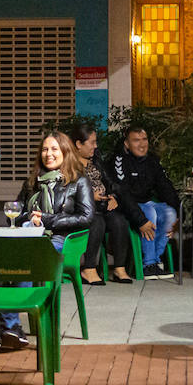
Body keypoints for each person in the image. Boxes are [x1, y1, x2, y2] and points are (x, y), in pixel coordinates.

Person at [0, 132, 94, 347]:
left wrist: (47, 220)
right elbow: (17, 213)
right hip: (31, 239)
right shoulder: (32, 182)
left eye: (55, 149)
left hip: (61, 241)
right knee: (2, 257)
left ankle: (5, 324)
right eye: (45, 149)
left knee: (28, 256)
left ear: (65, 152)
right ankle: (10, 325)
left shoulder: (78, 181)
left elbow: (86, 217)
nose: (49, 154)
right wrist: (30, 218)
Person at [108, 125, 180, 279]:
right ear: (127, 144)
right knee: (149, 212)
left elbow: (166, 187)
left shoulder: (152, 161)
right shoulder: (119, 160)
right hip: (125, 206)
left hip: (146, 203)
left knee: (170, 213)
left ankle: (154, 260)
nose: (141, 144)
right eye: (136, 140)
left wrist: (179, 216)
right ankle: (148, 264)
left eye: (144, 139)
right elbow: (123, 193)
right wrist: (141, 220)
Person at [68, 121, 132, 284]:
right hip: (81, 210)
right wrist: (89, 197)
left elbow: (110, 183)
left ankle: (119, 268)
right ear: (78, 144)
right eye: (92, 142)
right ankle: (88, 269)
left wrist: (112, 197)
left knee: (119, 221)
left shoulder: (96, 161)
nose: (95, 146)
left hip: (103, 206)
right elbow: (68, 192)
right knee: (97, 222)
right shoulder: (68, 165)